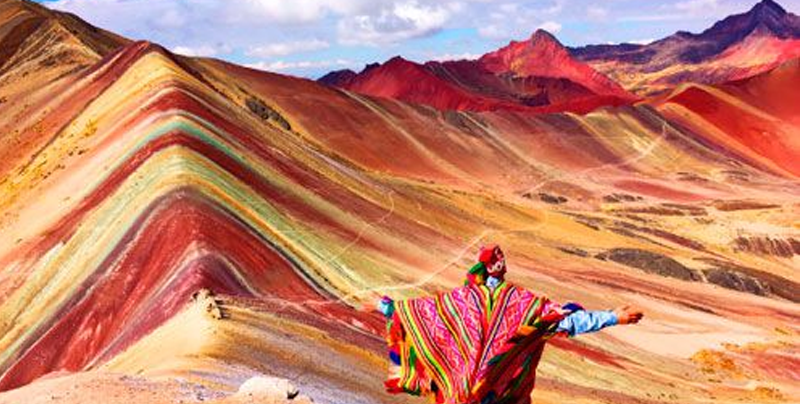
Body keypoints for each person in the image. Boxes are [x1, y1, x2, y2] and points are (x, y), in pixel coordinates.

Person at [375, 245, 643, 404]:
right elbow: (567, 321)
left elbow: (413, 313)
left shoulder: (459, 301)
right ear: (501, 268)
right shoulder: (524, 303)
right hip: (497, 396)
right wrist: (613, 317)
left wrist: (384, 305)